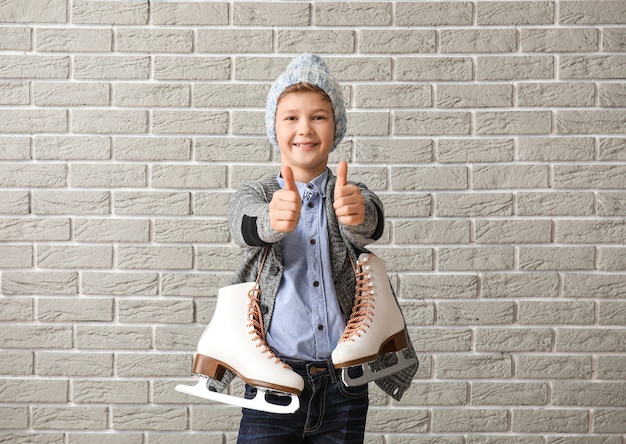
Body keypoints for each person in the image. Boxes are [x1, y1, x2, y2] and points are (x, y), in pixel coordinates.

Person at [225, 53, 417, 443]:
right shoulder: (258, 195)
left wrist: (356, 213)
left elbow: (371, 224)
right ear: (274, 128)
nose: (304, 128)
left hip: (343, 384)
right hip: (271, 381)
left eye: (318, 116)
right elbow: (243, 225)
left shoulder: (349, 193)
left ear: (336, 127)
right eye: (291, 117)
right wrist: (271, 220)